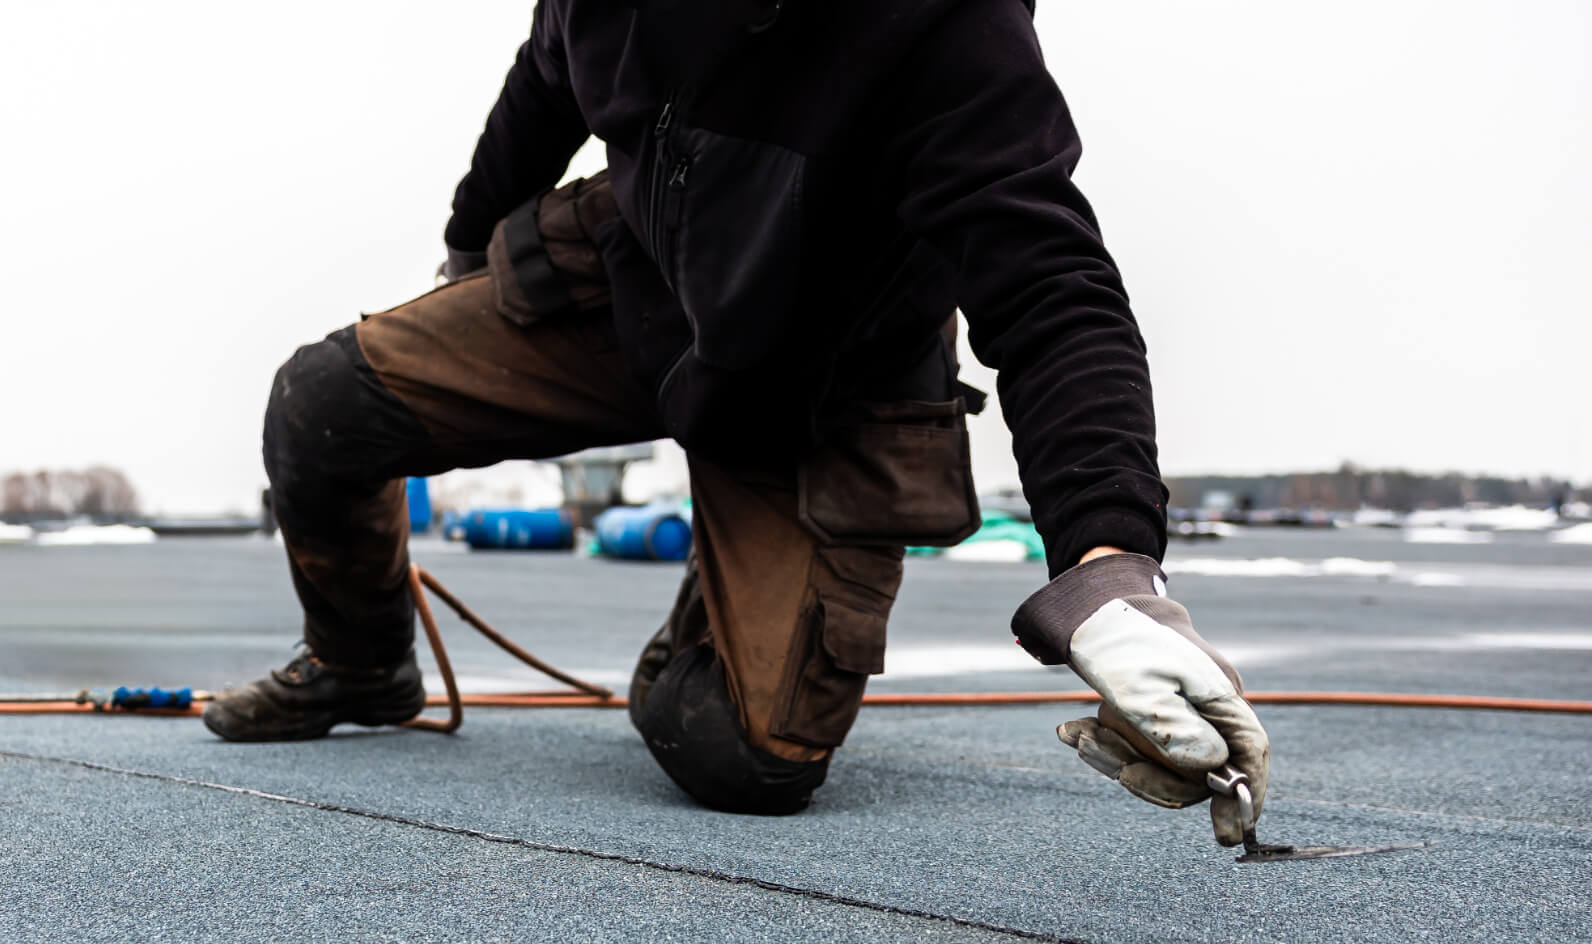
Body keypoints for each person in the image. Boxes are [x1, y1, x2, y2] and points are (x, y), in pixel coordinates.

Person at [207, 0, 1270, 842]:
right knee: (322, 405)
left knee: (748, 760)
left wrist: (1107, 568)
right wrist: (468, 246)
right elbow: (545, 77)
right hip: (638, 282)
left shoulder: (943, 22)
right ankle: (360, 666)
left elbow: (1050, 290)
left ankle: (720, 595)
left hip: (822, 382)